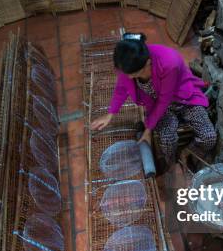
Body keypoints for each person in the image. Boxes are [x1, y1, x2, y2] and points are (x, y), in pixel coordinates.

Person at [90, 34, 216, 170]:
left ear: (148, 63)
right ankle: (171, 162)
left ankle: (187, 153)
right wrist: (110, 113)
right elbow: (122, 87)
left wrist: (148, 131)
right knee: (167, 139)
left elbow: (164, 100)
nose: (128, 77)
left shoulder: (169, 63)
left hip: (184, 99)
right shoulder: (127, 62)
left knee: (209, 137)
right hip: (156, 104)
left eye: (132, 74)